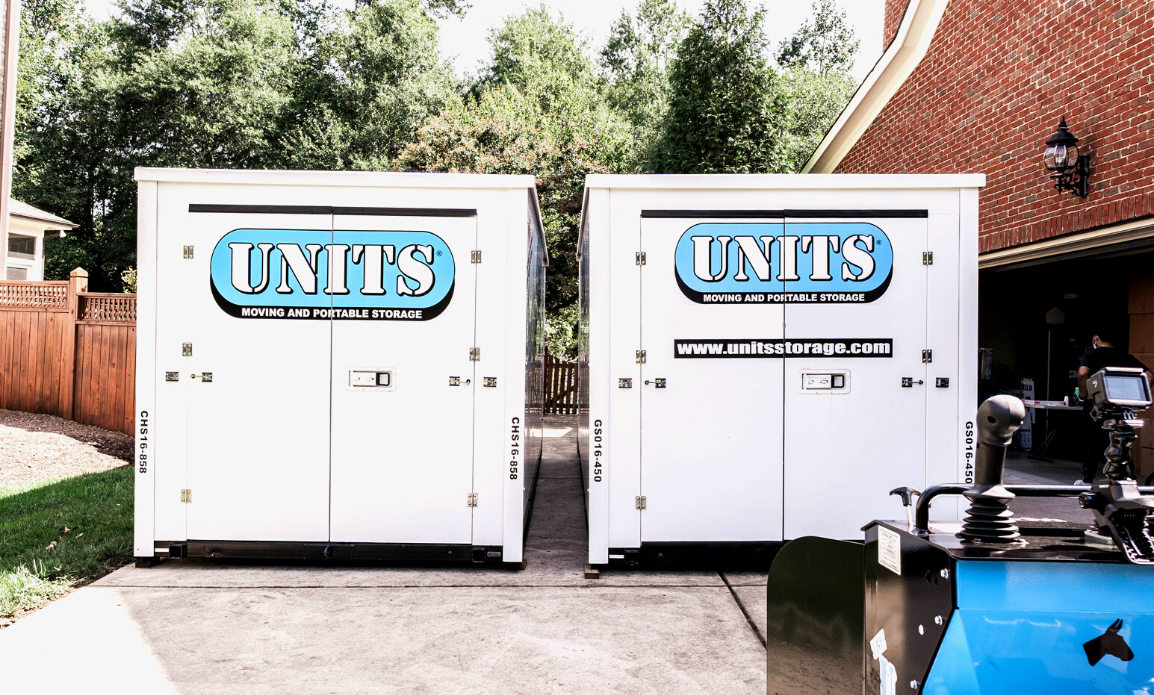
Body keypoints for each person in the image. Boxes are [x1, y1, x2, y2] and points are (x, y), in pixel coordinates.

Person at [1075, 325, 1153, 483]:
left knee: (1092, 443)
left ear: (1096, 338)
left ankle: (1087, 479)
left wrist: (1085, 395)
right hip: (1121, 405)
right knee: (1122, 442)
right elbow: (1150, 375)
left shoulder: (1090, 355)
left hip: (1097, 406)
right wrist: (1137, 395)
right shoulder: (1125, 356)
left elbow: (1082, 374)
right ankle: (1130, 478)